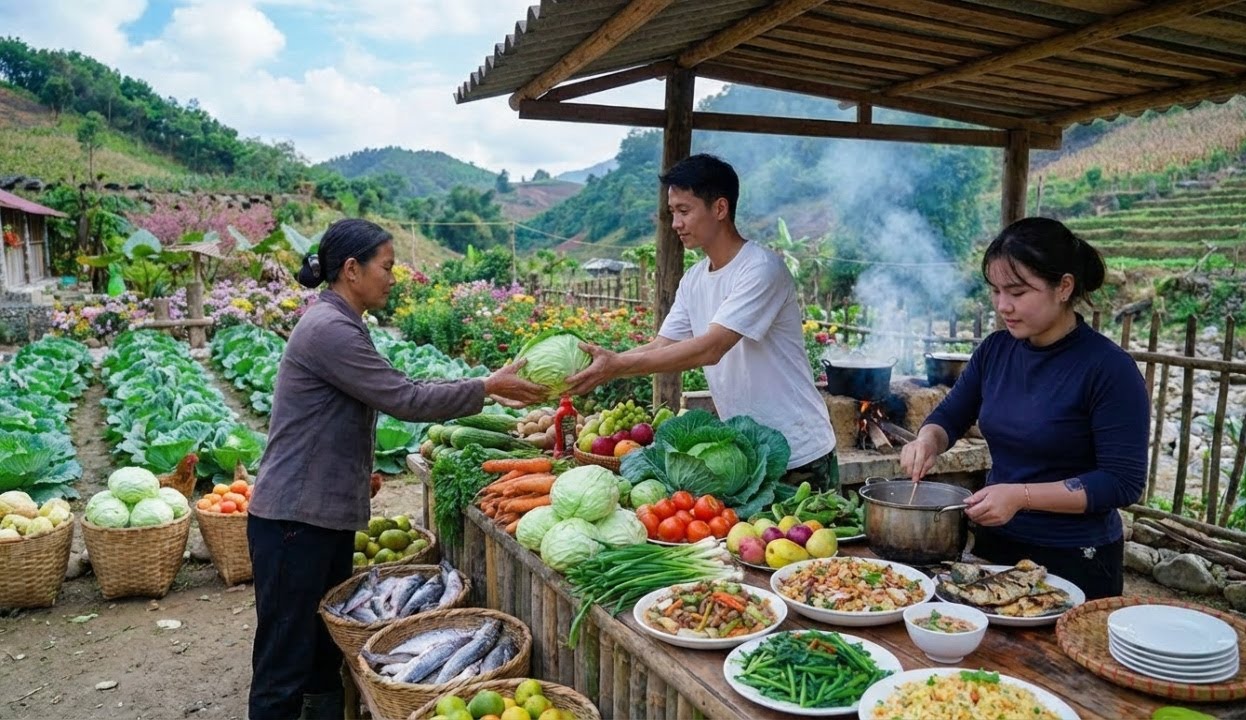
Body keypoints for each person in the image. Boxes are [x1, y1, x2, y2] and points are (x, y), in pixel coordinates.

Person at [246, 218, 547, 720]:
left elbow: (360, 398)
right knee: (284, 662)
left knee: (320, 652)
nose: (392, 277)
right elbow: (403, 396)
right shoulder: (329, 328)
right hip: (293, 522)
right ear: (350, 269)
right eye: (386, 266)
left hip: (316, 516)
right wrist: (487, 386)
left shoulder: (340, 321)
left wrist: (352, 468)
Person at [900, 217, 1148, 599]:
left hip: (1075, 558)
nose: (1003, 306)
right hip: (995, 548)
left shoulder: (1108, 369)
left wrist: (1020, 496)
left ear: (1063, 286)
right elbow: (950, 417)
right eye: (996, 292)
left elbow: (1121, 482)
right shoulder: (996, 350)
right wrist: (927, 442)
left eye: (1017, 292)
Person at [565, 154, 837, 488]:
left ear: (720, 209)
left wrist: (617, 366)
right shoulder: (694, 279)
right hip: (746, 454)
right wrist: (604, 364)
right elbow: (663, 344)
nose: (676, 223)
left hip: (800, 452)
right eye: (672, 212)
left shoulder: (761, 269)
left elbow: (711, 348)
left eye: (684, 210)